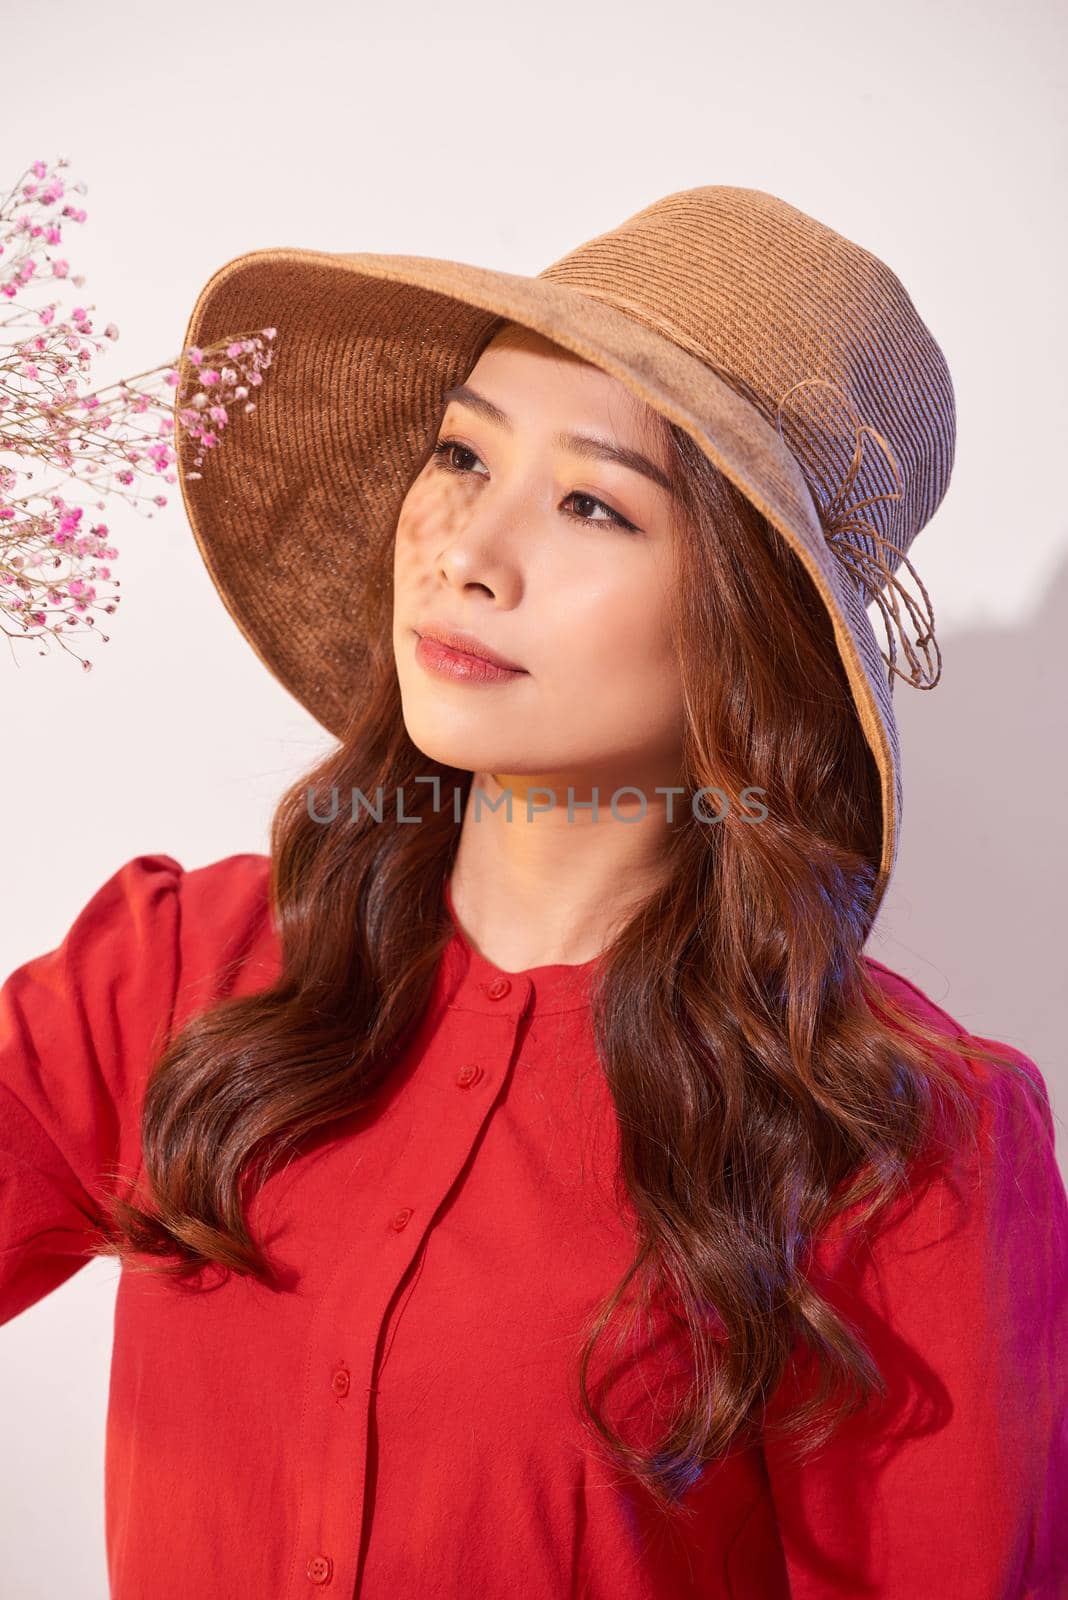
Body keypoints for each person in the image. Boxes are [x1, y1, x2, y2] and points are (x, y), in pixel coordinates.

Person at [1, 187, 1065, 1599]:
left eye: (589, 505)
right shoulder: (178, 971)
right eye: (460, 452)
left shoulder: (894, 1140)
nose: (464, 554)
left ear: (751, 630)